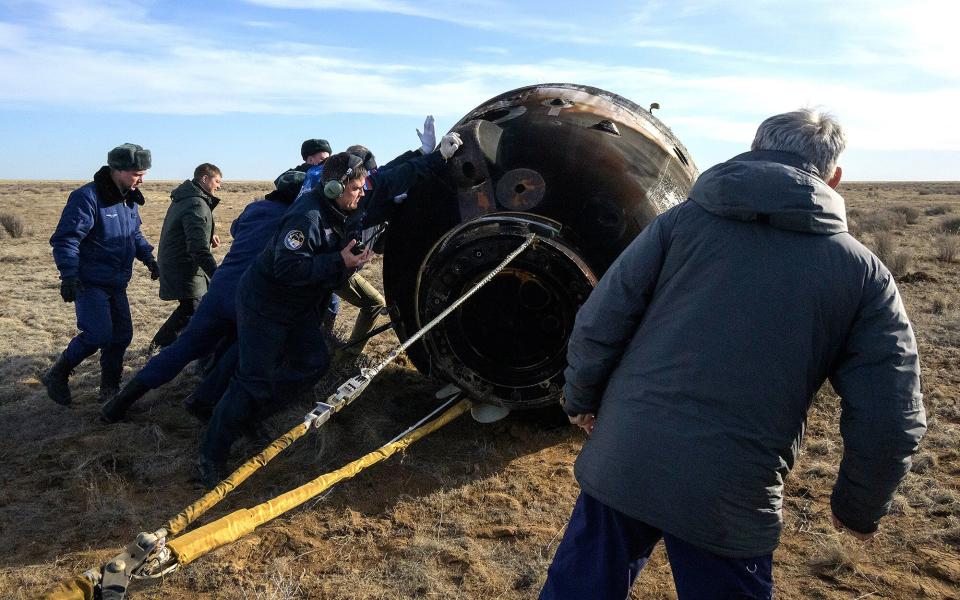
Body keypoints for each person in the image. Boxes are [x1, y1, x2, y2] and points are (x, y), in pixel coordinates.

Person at [540, 109, 926, 600]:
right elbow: (892, 413)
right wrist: (858, 507)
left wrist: (581, 400)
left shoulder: (677, 224)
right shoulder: (863, 275)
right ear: (834, 176)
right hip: (731, 494)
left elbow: (600, 322)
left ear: (755, 147)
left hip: (625, 457)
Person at [196, 133, 462, 487]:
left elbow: (393, 178)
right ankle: (210, 456)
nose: (363, 192)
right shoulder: (305, 219)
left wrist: (434, 157)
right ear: (336, 189)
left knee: (313, 363)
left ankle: (250, 415)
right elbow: (287, 269)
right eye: (357, 188)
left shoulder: (354, 200)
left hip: (300, 304)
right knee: (252, 380)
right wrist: (339, 261)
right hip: (267, 306)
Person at [99, 171, 306, 423]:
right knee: (245, 348)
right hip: (250, 297)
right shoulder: (297, 219)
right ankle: (206, 402)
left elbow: (236, 228)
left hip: (219, 289)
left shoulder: (256, 209)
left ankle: (120, 402)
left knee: (183, 348)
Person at [44, 143, 160, 405]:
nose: (141, 180)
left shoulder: (128, 198)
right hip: (90, 281)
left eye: (144, 174)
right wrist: (69, 275)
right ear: (116, 170)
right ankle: (58, 373)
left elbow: (134, 234)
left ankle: (109, 389)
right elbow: (66, 239)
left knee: (121, 336)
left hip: (116, 282)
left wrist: (148, 257)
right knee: (97, 334)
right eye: (136, 174)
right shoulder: (87, 197)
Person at [150, 163, 223, 350]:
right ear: (204, 179)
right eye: (217, 181)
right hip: (184, 266)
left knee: (193, 307)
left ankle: (165, 346)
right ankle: (160, 346)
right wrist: (217, 275)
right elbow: (198, 248)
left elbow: (187, 229)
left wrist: (209, 233)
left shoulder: (187, 198)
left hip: (178, 262)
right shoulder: (196, 203)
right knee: (192, 308)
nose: (219, 186)